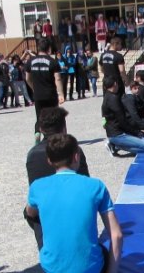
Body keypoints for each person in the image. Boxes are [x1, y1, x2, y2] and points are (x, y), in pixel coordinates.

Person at [25, 133, 122, 273]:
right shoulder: (95, 186)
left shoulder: (37, 187)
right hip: (90, 268)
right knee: (101, 252)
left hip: (51, 268)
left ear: (49, 161)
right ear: (76, 156)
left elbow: (30, 212)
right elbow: (116, 234)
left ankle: (53, 253)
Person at [25, 107, 89, 250]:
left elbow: (34, 193)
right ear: (64, 127)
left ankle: (44, 242)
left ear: (41, 129)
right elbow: (84, 183)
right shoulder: (75, 151)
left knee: (30, 210)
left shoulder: (33, 155)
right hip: (74, 213)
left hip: (46, 213)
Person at [26, 38, 65, 142]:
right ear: (49, 48)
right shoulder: (52, 62)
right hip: (50, 94)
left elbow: (27, 78)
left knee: (39, 116)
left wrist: (34, 88)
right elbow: (57, 78)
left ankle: (37, 133)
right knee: (53, 116)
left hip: (38, 95)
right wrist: (61, 94)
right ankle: (53, 137)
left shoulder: (30, 61)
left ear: (38, 48)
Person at [102, 76, 144, 156]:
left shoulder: (107, 97)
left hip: (115, 131)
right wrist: (137, 133)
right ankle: (116, 146)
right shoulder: (114, 100)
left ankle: (116, 144)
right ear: (115, 84)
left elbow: (104, 117)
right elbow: (123, 121)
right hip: (117, 134)